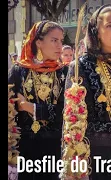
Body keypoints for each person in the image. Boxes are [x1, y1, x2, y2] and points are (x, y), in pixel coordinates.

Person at [65, 4, 111, 179]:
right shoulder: (81, 65)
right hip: (97, 155)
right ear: (96, 31)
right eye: (110, 25)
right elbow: (72, 118)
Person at [8, 20, 67, 180]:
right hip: (25, 147)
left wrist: (28, 107)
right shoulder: (19, 71)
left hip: (56, 146)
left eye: (61, 41)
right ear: (39, 42)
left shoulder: (65, 72)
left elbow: (66, 112)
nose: (59, 46)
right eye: (54, 40)